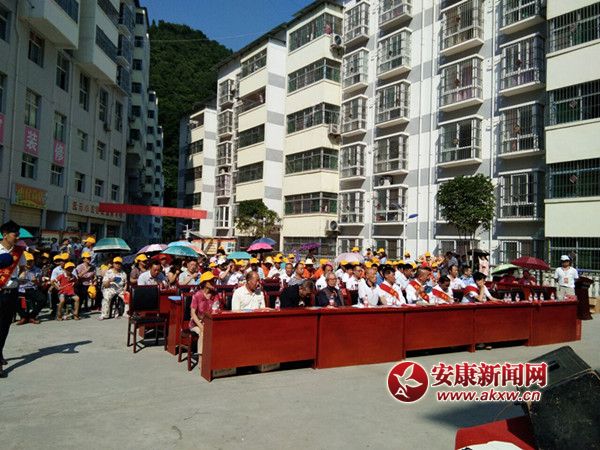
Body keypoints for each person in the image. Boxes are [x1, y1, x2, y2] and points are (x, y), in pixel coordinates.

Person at [0, 221, 26, 377]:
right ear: (5, 234)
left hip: (12, 292)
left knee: (5, 325)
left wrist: (22, 276)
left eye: (18, 235)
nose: (17, 238)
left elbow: (22, 268)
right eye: (15, 235)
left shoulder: (19, 252)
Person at [189, 272, 222, 354]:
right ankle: (201, 357)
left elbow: (216, 310)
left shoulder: (215, 294)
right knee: (204, 332)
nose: (213, 282)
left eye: (213, 280)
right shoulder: (197, 295)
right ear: (204, 283)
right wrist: (201, 326)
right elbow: (193, 314)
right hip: (197, 323)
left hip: (210, 322)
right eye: (211, 281)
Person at [17, 251, 44, 324]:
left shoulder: (38, 270)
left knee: (42, 299)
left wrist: (36, 282)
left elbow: (40, 284)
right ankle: (23, 316)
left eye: (31, 261)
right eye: (27, 261)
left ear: (33, 261)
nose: (29, 263)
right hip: (20, 289)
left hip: (32, 289)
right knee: (13, 299)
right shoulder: (18, 269)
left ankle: (32, 316)